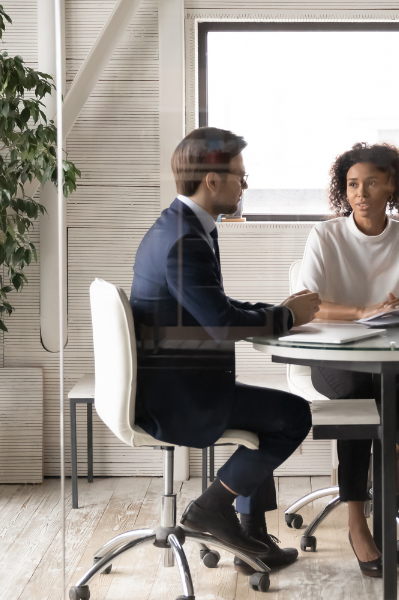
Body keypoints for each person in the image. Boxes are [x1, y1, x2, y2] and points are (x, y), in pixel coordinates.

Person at [130, 127, 321, 573]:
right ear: (212, 180)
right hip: (180, 399)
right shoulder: (184, 242)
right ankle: (213, 508)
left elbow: (215, 308)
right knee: (293, 416)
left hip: (179, 383)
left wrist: (278, 311)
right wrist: (287, 319)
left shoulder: (182, 227)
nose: (245, 184)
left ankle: (250, 536)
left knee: (269, 411)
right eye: (240, 174)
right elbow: (220, 324)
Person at [296, 142, 399, 578]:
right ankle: (356, 522)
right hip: (335, 356)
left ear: (391, 187)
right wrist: (366, 312)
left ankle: (391, 455)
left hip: (396, 355)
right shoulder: (325, 237)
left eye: (371, 183)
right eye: (352, 185)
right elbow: (308, 306)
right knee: (358, 400)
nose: (360, 193)